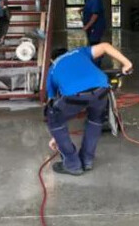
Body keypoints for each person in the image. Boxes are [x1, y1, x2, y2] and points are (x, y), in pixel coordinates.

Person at [45, 43, 133, 176]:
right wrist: (127, 64)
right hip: (101, 89)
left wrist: (56, 136)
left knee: (54, 118)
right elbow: (105, 46)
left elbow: (53, 102)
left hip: (75, 96)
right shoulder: (79, 52)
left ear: (52, 59)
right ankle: (87, 161)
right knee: (95, 120)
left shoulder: (52, 68)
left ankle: (72, 165)